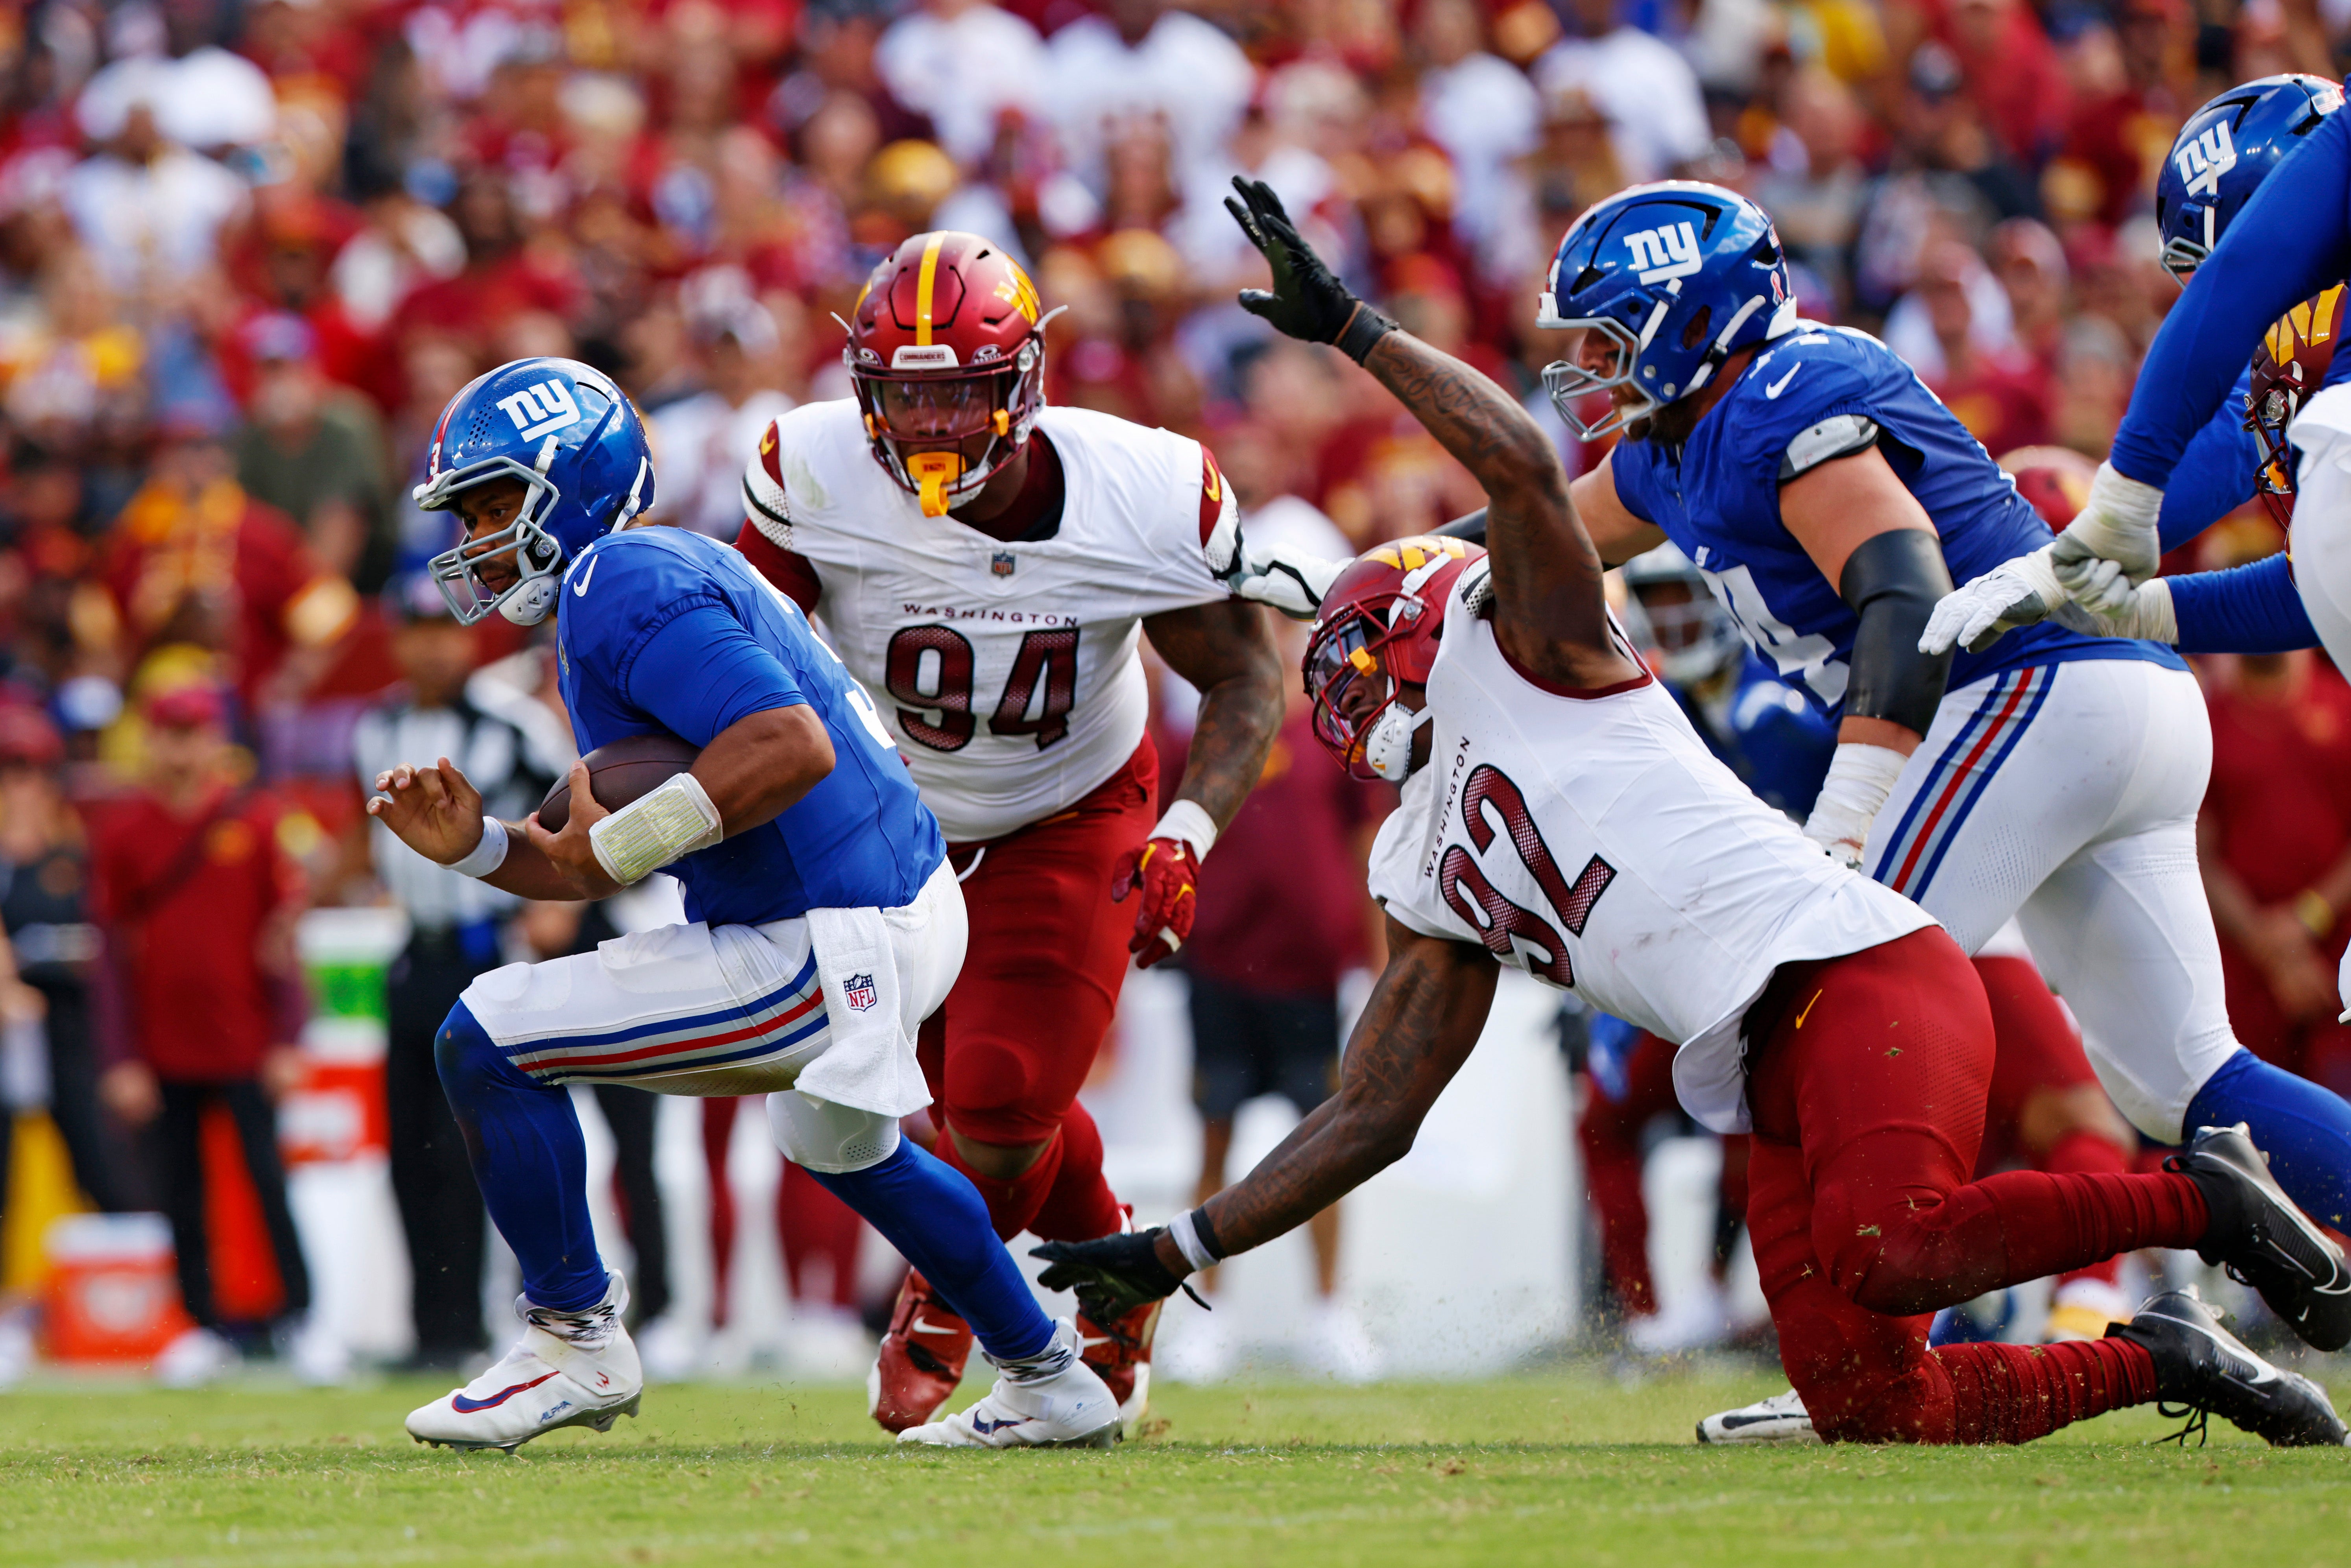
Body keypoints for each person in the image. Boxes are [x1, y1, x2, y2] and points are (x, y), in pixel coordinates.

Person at [1034, 180, 2351, 1449]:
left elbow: (1890, 588)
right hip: (2071, 702)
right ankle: (2041, 1327)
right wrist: (1175, 1248)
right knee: (2174, 1074)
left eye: (1609, 339)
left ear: (1685, 318)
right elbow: (1372, 1106)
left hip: (2014, 679)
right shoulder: (1639, 497)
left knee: (1825, 1012)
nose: (1587, 367)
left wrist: (1357, 331)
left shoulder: (1742, 438)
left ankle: (2170, 1225)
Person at [369, 355, 1118, 1452]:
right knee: (850, 1145)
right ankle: (1051, 1378)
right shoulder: (647, 578)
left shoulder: (614, 579)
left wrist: (625, 836)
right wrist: (478, 849)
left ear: (568, 484)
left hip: (829, 930)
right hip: (877, 911)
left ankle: (573, 1338)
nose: (472, 537)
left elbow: (788, 746)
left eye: (493, 504)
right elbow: (585, 861)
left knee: (486, 1036)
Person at [733, 230, 1283, 1433]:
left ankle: (941, 1297)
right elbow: (741, 657)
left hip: (1071, 808)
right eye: (903, 396)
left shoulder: (1142, 491)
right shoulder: (812, 465)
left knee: (993, 1103)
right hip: (896, 821)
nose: (930, 429)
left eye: (960, 394)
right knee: (973, 1107)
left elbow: (1247, 681)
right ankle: (1116, 1271)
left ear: (1026, 381)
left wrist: (1189, 827)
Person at [351, 576, 558, 1372]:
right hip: (412, 951)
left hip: (486, 951)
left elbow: (569, 806)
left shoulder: (513, 724)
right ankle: (428, 1327)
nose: (430, 644)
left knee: (471, 1147)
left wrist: (555, 907)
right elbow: (356, 827)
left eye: (444, 629)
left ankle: (478, 1322)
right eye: (415, 630)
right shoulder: (375, 726)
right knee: (408, 1149)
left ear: (469, 639)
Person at [90, 683, 316, 1387]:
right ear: (152, 740)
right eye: (171, 732)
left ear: (218, 739)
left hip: (246, 1039)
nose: (184, 748)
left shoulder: (256, 819)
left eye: (196, 732)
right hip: (163, 1044)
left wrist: (288, 1034)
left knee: (267, 1181)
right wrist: (122, 1056)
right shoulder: (125, 831)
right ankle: (200, 1324)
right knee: (179, 1188)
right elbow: (107, 954)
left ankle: (300, 1318)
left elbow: (283, 939)